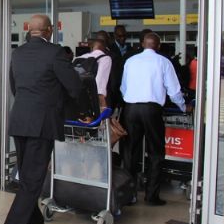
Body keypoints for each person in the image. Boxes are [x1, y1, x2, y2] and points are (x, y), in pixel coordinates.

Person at [0, 15, 82, 224]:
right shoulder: (55, 53)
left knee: (27, 176)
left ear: (30, 30)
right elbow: (74, 86)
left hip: (20, 120)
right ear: (49, 30)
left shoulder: (18, 53)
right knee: (32, 181)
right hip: (42, 123)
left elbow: (15, 87)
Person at [121, 32, 187, 206]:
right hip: (152, 110)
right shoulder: (163, 62)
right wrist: (183, 106)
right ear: (158, 46)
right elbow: (174, 91)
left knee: (130, 152)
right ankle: (151, 196)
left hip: (130, 109)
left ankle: (129, 194)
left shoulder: (131, 61)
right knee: (156, 152)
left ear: (143, 44)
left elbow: (123, 87)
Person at [75, 38, 112, 110]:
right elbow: (100, 82)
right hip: (93, 98)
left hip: (77, 98)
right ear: (105, 48)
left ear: (92, 48)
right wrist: (103, 106)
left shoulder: (78, 58)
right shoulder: (105, 58)